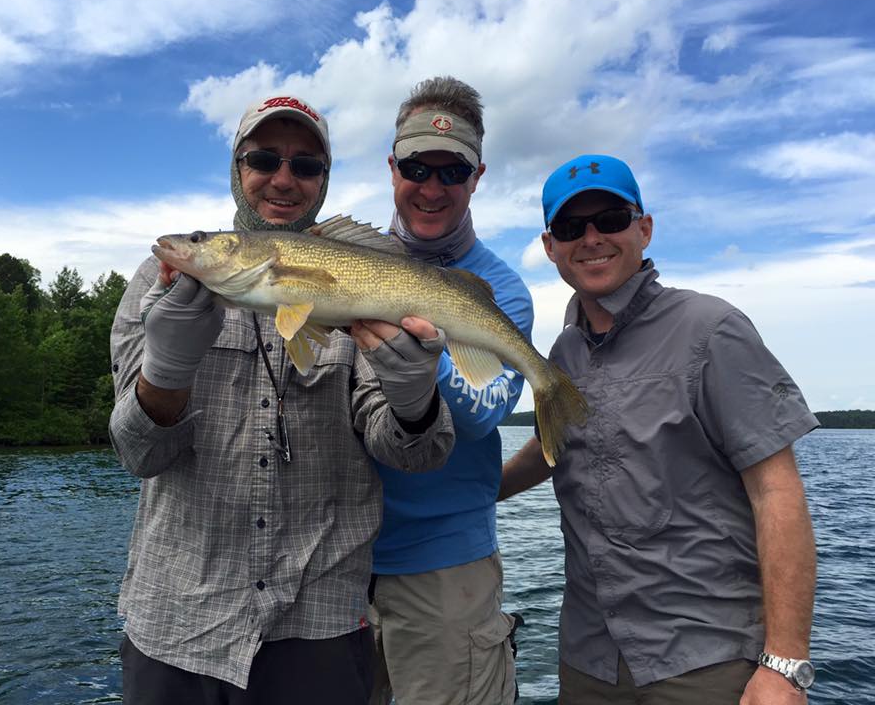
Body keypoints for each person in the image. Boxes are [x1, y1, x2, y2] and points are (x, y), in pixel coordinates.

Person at [109, 93, 456, 705]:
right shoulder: (155, 282)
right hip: (177, 625)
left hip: (319, 624)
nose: (283, 179)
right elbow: (138, 454)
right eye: (263, 158)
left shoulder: (371, 277)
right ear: (237, 170)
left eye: (306, 165)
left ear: (324, 181)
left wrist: (412, 399)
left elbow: (415, 455)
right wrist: (166, 371)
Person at [499, 154, 818, 704]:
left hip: (704, 658)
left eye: (612, 219)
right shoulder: (564, 351)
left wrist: (785, 664)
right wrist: (470, 489)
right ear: (550, 247)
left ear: (643, 229)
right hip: (589, 659)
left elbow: (777, 492)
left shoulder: (713, 329)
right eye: (572, 227)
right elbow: (561, 445)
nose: (592, 238)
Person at [368, 76, 533, 705]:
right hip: (331, 566)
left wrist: (423, 355)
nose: (432, 188)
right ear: (392, 167)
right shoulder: (344, 259)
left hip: (445, 574)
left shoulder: (501, 290)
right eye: (416, 167)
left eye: (452, 171)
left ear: (477, 176)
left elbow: (484, 416)